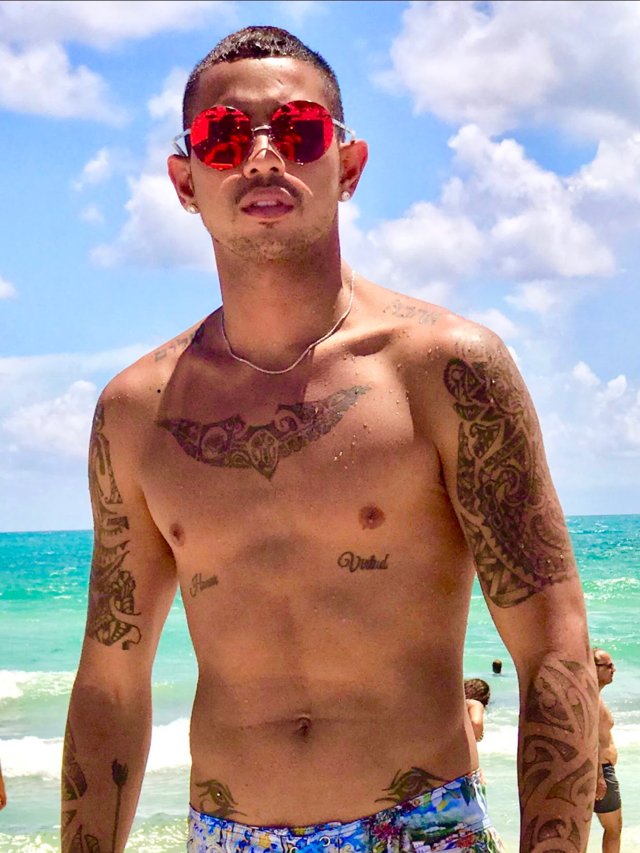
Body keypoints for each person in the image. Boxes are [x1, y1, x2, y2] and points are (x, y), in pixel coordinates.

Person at [61, 25, 599, 853]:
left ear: (348, 165)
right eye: (225, 136)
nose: (263, 156)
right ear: (184, 179)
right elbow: (111, 679)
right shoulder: (138, 413)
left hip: (420, 831)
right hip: (226, 837)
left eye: (299, 130)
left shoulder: (447, 369)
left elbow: (553, 646)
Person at [593, 648, 622, 852]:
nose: (614, 669)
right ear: (594, 668)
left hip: (601, 770)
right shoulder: (589, 698)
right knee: (613, 828)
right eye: (609, 666)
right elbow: (588, 740)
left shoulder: (594, 695)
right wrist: (599, 776)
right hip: (600, 771)